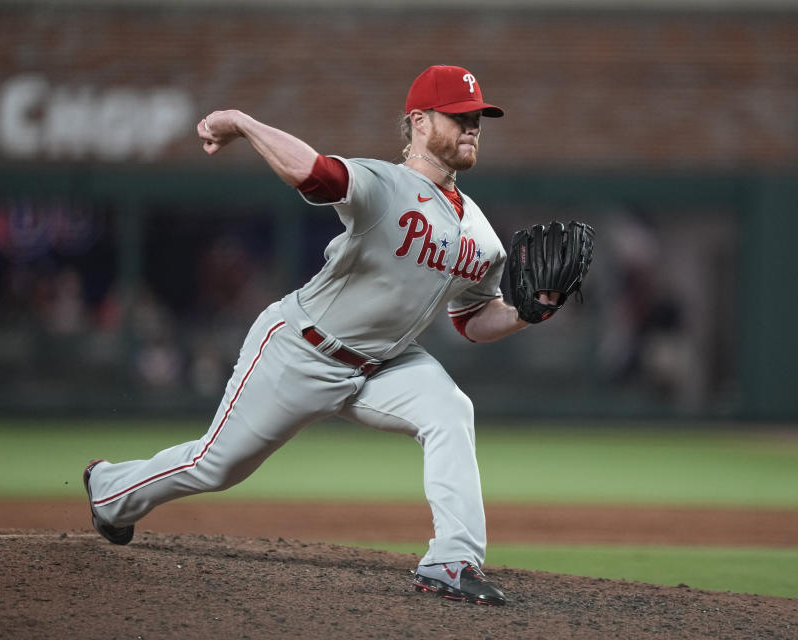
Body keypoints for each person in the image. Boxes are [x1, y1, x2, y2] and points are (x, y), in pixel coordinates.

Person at [83, 64, 561, 606]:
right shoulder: (384, 185)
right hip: (302, 350)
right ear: (420, 123)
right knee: (214, 466)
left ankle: (453, 559)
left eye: (478, 118)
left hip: (386, 363)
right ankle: (109, 491)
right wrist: (240, 121)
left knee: (451, 410)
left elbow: (470, 321)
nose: (473, 126)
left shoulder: (480, 230)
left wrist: (527, 312)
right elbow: (313, 173)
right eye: (459, 117)